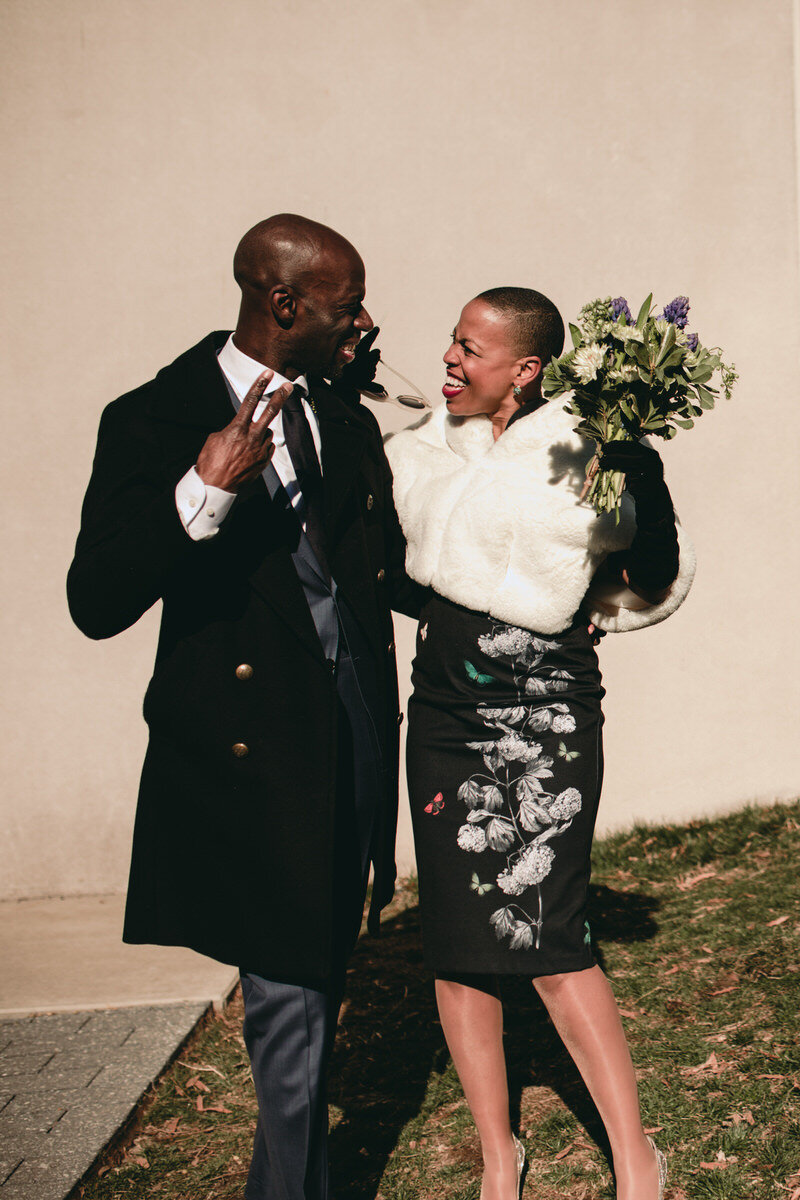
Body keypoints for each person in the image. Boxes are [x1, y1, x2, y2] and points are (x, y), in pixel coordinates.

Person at [67, 214, 419, 1200]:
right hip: (251, 755)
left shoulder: (339, 420)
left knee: (307, 996)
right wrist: (200, 494)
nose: (362, 321)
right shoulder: (152, 419)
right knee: (294, 1002)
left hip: (349, 731)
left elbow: (386, 572)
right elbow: (94, 601)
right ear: (282, 303)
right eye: (346, 305)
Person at [384, 287, 694, 1200]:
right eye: (451, 339)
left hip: (547, 718)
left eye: (471, 348)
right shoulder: (419, 454)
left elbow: (652, 573)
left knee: (552, 931)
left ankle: (636, 1155)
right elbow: (415, 574)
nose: (449, 357)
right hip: (443, 716)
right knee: (455, 938)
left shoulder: (585, 449)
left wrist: (645, 477)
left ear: (525, 369)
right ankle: (497, 1157)